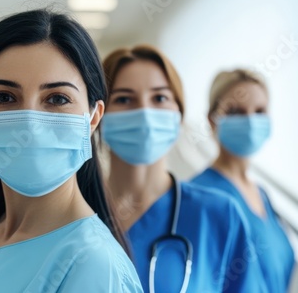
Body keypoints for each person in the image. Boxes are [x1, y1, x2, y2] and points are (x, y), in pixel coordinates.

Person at [0, 9, 143, 293]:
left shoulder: (94, 265)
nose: (29, 123)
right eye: (4, 97)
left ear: (93, 118)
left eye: (57, 98)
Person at [101, 45, 268, 292]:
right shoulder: (70, 214)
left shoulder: (218, 215)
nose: (145, 112)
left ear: (179, 115)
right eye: (124, 99)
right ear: (97, 114)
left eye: (160, 98)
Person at [190, 69, 294, 292]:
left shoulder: (262, 194)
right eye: (236, 112)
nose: (250, 121)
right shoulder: (199, 195)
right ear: (212, 120)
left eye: (259, 111)